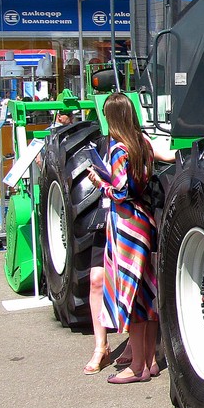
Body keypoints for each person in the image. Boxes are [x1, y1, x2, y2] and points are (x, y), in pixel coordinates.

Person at [85, 93, 166, 383]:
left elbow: (120, 191)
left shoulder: (119, 149)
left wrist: (99, 184)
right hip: (145, 221)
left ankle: (137, 368)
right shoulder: (143, 143)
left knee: (130, 295)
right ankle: (151, 363)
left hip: (126, 224)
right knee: (147, 292)